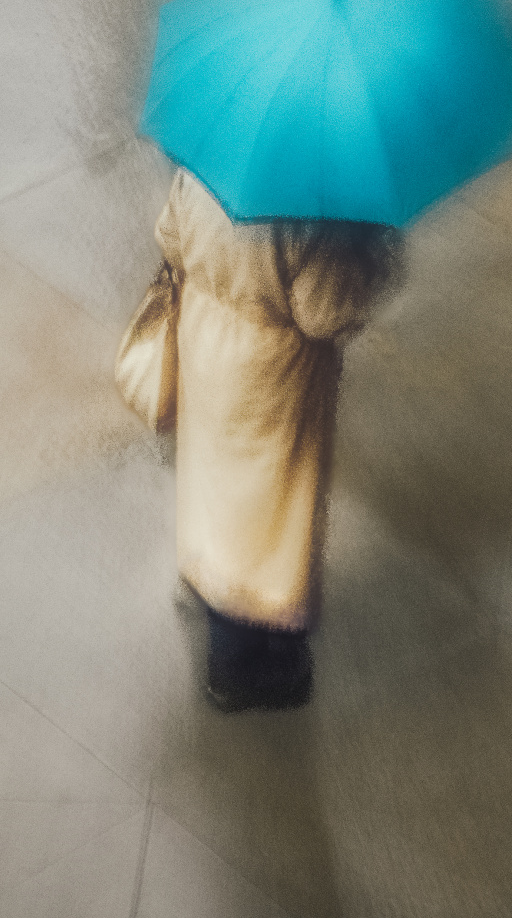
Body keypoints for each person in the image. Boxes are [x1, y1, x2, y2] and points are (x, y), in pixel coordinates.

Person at [118, 167, 403, 712]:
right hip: (273, 379)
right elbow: (324, 313)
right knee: (263, 516)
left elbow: (171, 237)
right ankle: (238, 662)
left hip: (205, 342)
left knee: (213, 485)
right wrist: (367, 256)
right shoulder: (311, 209)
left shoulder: (202, 174)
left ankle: (205, 582)